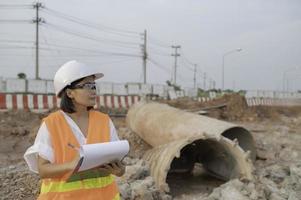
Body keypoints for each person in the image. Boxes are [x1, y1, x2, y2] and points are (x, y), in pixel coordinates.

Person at [24, 60, 125, 200]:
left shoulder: (104, 121)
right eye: (87, 86)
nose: (93, 90)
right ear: (70, 93)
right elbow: (43, 170)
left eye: (94, 85)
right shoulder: (52, 124)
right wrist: (72, 165)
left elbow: (117, 162)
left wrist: (120, 170)